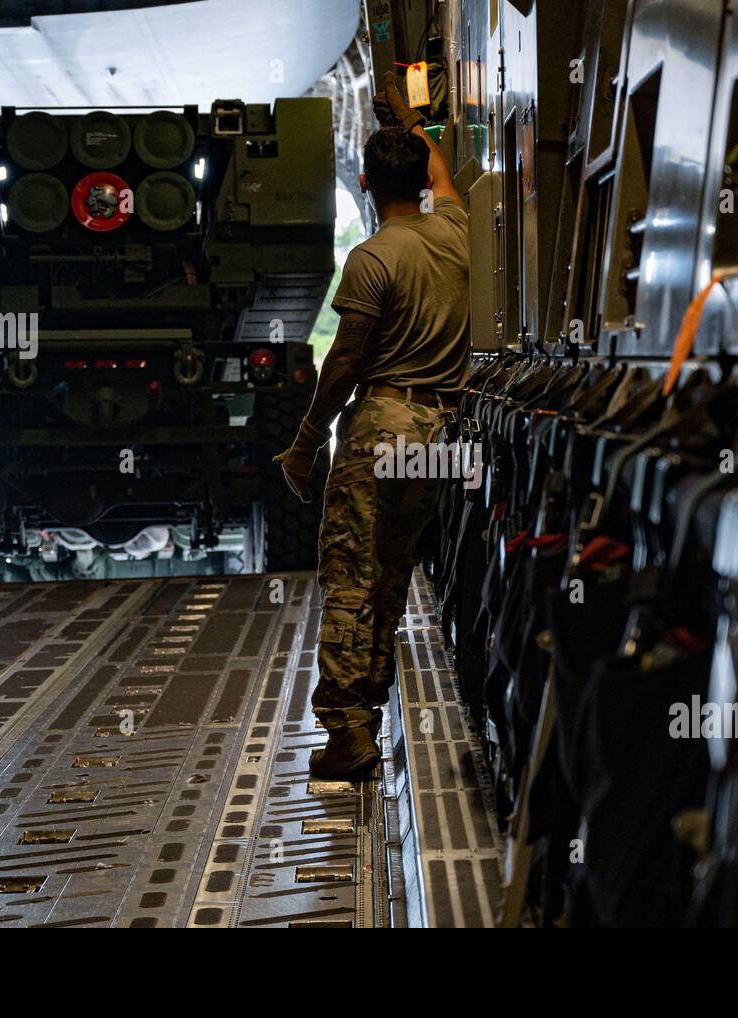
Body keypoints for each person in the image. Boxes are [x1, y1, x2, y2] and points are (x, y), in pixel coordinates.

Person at [273, 73, 471, 777]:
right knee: (390, 578)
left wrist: (304, 446)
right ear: (419, 177)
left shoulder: (371, 259)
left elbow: (345, 364)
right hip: (440, 434)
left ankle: (347, 732)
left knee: (351, 578)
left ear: (364, 184)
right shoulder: (454, 230)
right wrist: (415, 120)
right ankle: (368, 715)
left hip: (382, 426)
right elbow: (441, 173)